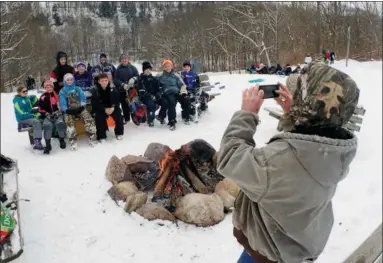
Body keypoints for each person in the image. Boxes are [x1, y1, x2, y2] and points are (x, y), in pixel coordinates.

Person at [216, 62, 359, 263]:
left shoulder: (278, 162)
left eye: (300, 92)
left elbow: (229, 157)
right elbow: (307, 139)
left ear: (308, 102)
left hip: (267, 254)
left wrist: (246, 115)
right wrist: (296, 115)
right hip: (294, 246)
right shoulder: (334, 151)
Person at [59, 73, 97, 150]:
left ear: (73, 80)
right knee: (70, 125)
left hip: (80, 109)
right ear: (65, 81)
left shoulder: (78, 88)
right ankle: (73, 142)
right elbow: (62, 104)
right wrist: (67, 110)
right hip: (69, 111)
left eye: (71, 79)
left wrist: (82, 106)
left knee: (89, 120)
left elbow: (83, 99)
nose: (70, 81)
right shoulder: (62, 91)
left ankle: (91, 138)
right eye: (68, 80)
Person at [156, 59, 189, 130]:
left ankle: (186, 116)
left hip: (177, 92)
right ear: (163, 67)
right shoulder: (160, 76)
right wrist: (159, 92)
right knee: (172, 103)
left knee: (186, 100)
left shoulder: (176, 76)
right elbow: (154, 84)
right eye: (166, 66)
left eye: (169, 66)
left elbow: (183, 85)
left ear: (172, 66)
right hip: (168, 93)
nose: (167, 67)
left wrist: (183, 92)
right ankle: (172, 121)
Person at [91, 73, 124, 142]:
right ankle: (101, 136)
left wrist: (113, 107)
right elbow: (95, 103)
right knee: (99, 117)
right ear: (99, 81)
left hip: (112, 107)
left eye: (105, 80)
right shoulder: (95, 89)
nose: (104, 82)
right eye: (102, 81)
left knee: (119, 115)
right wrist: (104, 109)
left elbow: (117, 99)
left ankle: (119, 133)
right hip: (101, 108)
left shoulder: (113, 87)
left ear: (108, 80)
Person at [37, 80, 66, 154]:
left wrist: (58, 112)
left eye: (50, 87)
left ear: (52, 87)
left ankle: (61, 140)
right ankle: (48, 145)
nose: (48, 88)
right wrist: (46, 114)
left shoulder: (57, 95)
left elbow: (62, 106)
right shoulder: (43, 97)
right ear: (45, 88)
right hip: (47, 116)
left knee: (60, 123)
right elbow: (40, 108)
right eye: (47, 87)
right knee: (47, 125)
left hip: (57, 114)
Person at [13, 86, 43, 150]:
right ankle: (37, 142)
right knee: (36, 122)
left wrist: (36, 101)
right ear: (19, 92)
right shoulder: (17, 101)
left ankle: (34, 140)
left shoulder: (26, 98)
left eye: (26, 91)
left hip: (29, 117)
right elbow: (21, 114)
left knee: (41, 118)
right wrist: (33, 115)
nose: (26, 92)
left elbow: (33, 97)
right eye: (24, 91)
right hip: (22, 119)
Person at [134, 61, 162, 127]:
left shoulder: (154, 79)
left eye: (149, 69)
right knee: (152, 105)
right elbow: (141, 91)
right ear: (143, 70)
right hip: (144, 97)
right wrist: (151, 96)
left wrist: (158, 94)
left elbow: (158, 88)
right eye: (146, 69)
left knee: (165, 102)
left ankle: (161, 116)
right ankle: (150, 120)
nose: (148, 71)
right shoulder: (140, 79)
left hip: (154, 96)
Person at [114, 54, 139, 124]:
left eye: (125, 59)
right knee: (124, 105)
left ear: (128, 59)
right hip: (122, 90)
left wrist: (134, 78)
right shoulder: (118, 69)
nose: (124, 60)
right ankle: (127, 118)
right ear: (121, 60)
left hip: (132, 90)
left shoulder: (133, 68)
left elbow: (138, 76)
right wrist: (122, 84)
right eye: (122, 59)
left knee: (133, 104)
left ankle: (135, 117)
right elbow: (115, 79)